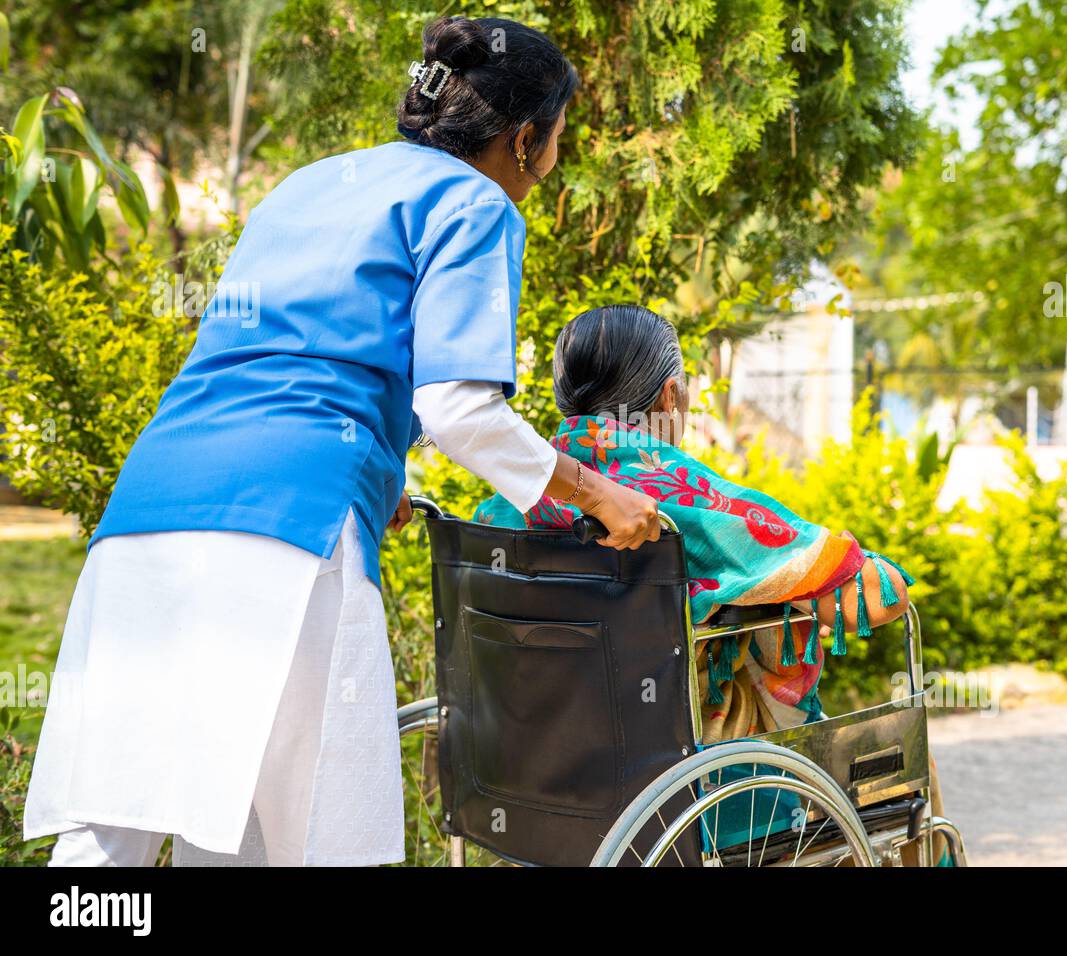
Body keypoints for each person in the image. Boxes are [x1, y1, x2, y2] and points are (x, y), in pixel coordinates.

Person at [24, 15, 660, 867]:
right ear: (523, 138)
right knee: (311, 838)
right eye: (554, 145)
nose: (550, 168)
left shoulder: (305, 186)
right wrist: (597, 490)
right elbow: (461, 409)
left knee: (113, 827)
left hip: (149, 514)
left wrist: (380, 476)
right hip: (291, 531)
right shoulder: (473, 201)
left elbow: (280, 360)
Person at [473, 304, 914, 741]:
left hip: (541, 746)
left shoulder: (505, 507)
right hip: (682, 754)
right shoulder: (684, 497)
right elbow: (876, 598)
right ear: (671, 396)